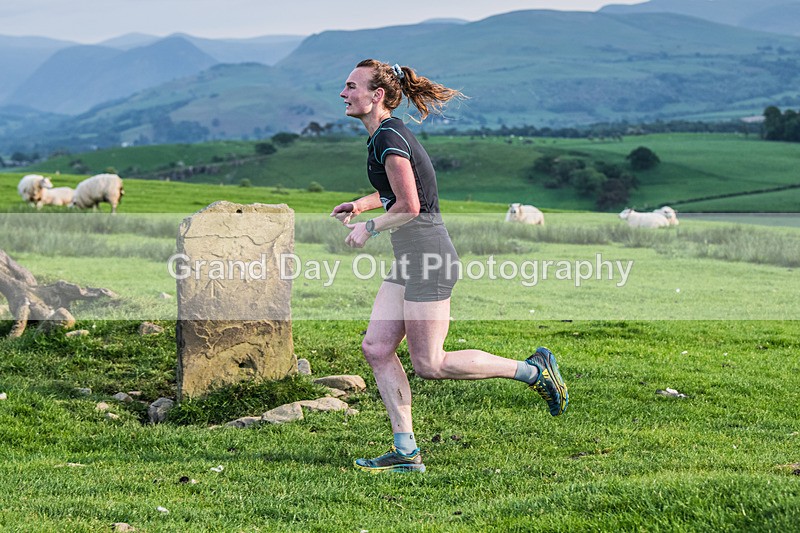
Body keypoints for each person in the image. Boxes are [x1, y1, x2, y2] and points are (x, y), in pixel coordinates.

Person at [330, 59, 568, 474]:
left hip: (428, 257)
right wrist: (362, 203)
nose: (344, 93)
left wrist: (368, 227)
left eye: (352, 86)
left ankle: (534, 371)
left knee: (430, 364)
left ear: (377, 95)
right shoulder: (384, 136)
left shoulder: (388, 137)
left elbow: (410, 205)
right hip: (411, 257)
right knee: (377, 348)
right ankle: (406, 452)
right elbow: (393, 189)